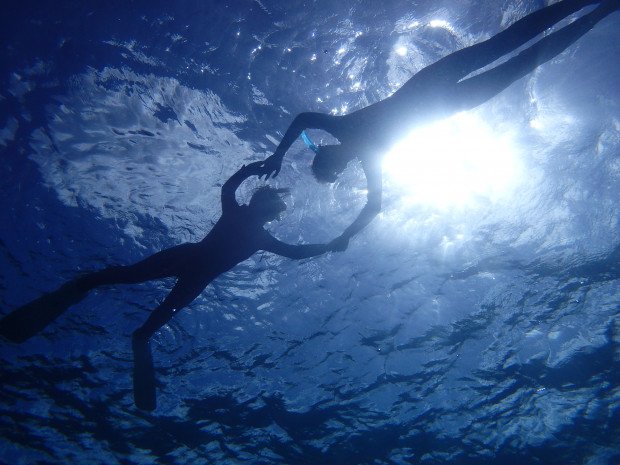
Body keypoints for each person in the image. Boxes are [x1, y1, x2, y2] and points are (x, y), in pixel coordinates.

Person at [261, 0, 619, 249]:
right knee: (518, 63)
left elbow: (304, 119)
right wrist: (348, 235)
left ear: (330, 156)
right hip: (447, 101)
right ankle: (599, 11)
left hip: (433, 86)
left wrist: (277, 156)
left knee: (506, 48)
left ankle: (585, 6)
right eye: (339, 171)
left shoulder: (345, 131)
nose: (343, 165)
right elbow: (374, 206)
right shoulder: (366, 154)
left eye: (335, 167)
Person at [0, 161, 341, 410]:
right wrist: (254, 168)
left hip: (197, 276)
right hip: (189, 260)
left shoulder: (259, 235)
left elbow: (294, 252)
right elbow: (229, 188)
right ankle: (89, 285)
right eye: (267, 205)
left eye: (271, 209)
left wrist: (329, 245)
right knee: (133, 276)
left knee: (166, 309)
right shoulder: (239, 215)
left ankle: (140, 335)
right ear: (261, 206)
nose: (268, 211)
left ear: (269, 214)